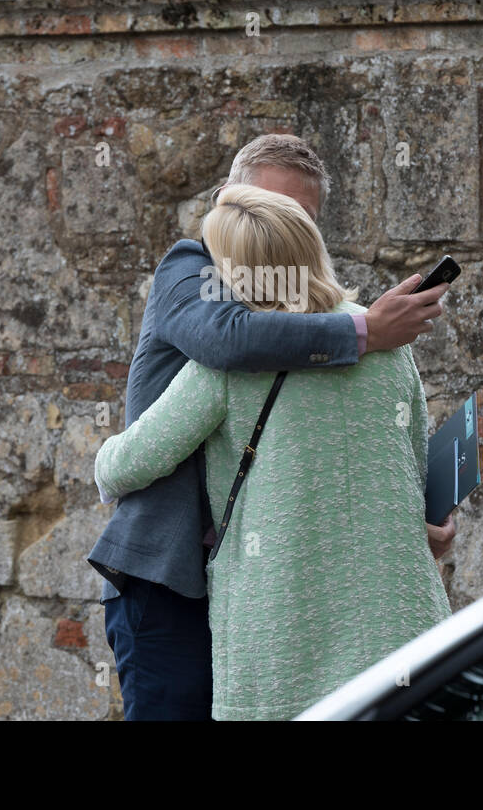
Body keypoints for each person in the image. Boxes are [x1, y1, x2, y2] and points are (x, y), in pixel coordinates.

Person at [87, 133, 453, 720]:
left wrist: (415, 520)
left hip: (268, 588)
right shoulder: (192, 267)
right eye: (260, 205)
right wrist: (363, 334)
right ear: (224, 203)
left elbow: (384, 464)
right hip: (170, 578)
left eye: (294, 215)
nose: (269, 223)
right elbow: (227, 340)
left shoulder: (351, 335)